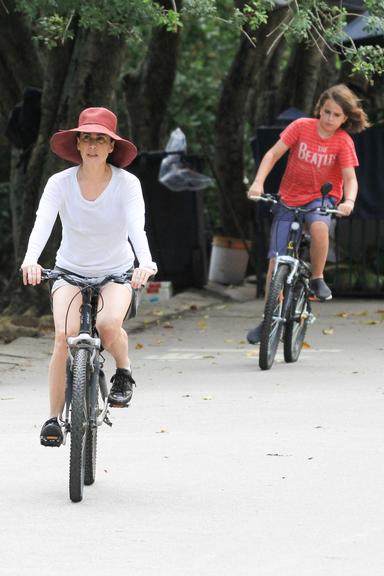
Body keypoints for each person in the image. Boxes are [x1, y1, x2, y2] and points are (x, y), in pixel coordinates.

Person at [21, 107, 157, 446]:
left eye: (101, 139)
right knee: (63, 336)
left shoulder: (127, 184)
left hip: (116, 273)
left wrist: (146, 263)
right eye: (87, 138)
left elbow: (136, 227)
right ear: (77, 145)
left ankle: (123, 374)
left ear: (112, 146)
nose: (93, 145)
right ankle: (53, 420)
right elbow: (43, 223)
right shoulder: (60, 183)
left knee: (109, 324)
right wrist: (31, 260)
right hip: (69, 271)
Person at [246, 84, 369, 345]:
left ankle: (317, 278)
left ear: (345, 118)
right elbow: (272, 154)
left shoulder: (343, 141)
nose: (329, 119)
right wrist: (258, 183)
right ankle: (269, 317)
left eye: (336, 115)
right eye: (326, 112)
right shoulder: (301, 126)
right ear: (319, 108)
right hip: (288, 197)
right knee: (275, 261)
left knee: (319, 227)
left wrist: (349, 200)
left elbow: (350, 178)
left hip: (321, 198)